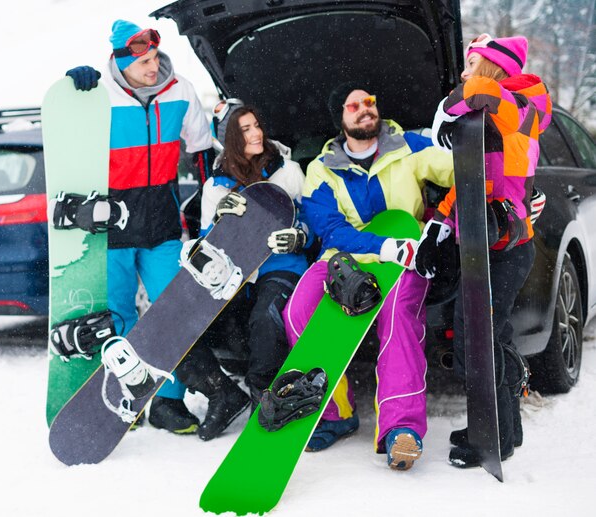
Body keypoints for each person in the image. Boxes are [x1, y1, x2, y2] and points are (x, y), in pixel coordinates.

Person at [283, 83, 454, 470]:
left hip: (406, 258)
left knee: (396, 316)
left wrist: (507, 183)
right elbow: (330, 228)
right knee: (298, 313)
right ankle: (335, 414)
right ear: (340, 119)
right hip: (345, 257)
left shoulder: (407, 145)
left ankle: (401, 429)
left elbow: (460, 171)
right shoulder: (321, 169)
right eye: (354, 105)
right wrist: (383, 246)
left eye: (370, 102)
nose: (365, 109)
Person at [64, 19, 215, 434]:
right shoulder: (96, 94)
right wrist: (71, 91)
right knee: (118, 314)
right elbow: (64, 132)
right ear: (120, 60)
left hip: (162, 218)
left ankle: (168, 402)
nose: (154, 67)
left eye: (154, 58)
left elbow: (202, 151)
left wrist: (206, 212)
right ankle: (126, 397)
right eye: (144, 61)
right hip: (110, 220)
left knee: (172, 310)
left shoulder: (180, 89)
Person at [419, 33, 552, 468]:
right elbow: (473, 184)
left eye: (470, 61)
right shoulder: (494, 119)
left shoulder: (516, 107)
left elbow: (479, 92)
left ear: (492, 66)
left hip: (503, 249)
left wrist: (447, 109)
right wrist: (439, 225)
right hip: (492, 246)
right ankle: (502, 427)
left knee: (477, 341)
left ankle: (489, 433)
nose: (462, 71)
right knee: (488, 338)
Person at [175, 104, 312, 441]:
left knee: (265, 319)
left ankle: (262, 397)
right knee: (177, 325)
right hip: (234, 274)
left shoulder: (288, 171)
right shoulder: (215, 187)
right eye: (245, 130)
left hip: (280, 267)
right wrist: (219, 222)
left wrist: (301, 236)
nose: (256, 134)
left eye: (256, 125)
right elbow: (206, 248)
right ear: (231, 139)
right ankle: (222, 393)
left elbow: (315, 222)